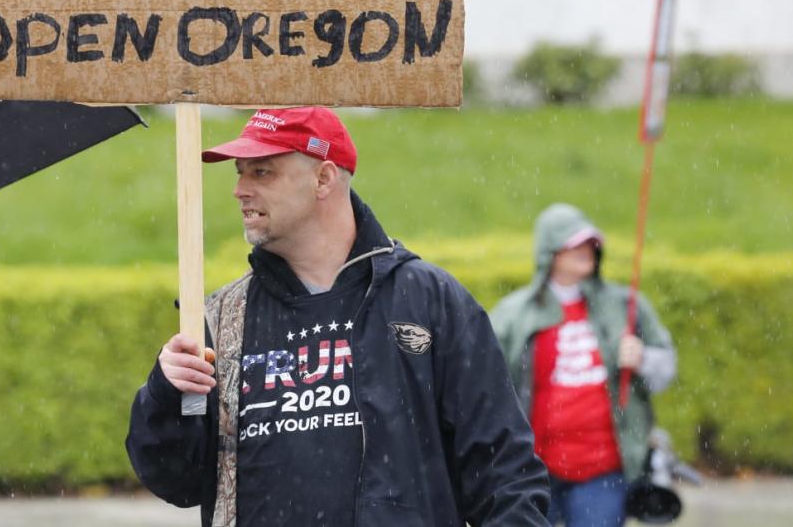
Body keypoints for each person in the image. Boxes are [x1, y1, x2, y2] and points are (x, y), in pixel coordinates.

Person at [127, 107, 550, 526]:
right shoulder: (221, 318)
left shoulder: (428, 299)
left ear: (324, 179)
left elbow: (503, 474)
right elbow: (175, 481)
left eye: (262, 172)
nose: (239, 189)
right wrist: (164, 395)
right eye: (240, 172)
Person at [490, 203, 677, 527]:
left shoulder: (625, 305)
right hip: (531, 472)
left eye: (590, 242)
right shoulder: (512, 315)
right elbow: (484, 385)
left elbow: (666, 371)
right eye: (574, 243)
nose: (587, 250)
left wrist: (643, 358)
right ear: (550, 252)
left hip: (602, 473)